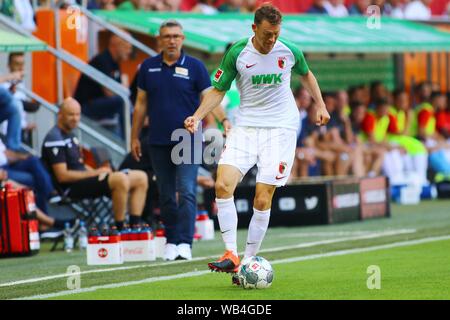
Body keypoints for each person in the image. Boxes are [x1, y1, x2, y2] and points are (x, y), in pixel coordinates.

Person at [183, 4, 330, 283]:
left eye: (275, 34)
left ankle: (248, 260)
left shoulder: (289, 51)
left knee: (262, 196)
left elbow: (307, 74)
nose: (271, 39)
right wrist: (197, 116)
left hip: (281, 129)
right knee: (222, 184)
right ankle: (231, 254)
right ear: (254, 29)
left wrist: (320, 104)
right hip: (246, 126)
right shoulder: (238, 52)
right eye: (266, 34)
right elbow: (218, 90)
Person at [130, 20, 212, 261]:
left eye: (176, 36)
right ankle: (172, 240)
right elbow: (140, 104)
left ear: (183, 39)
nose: (172, 40)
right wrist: (134, 136)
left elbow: (209, 98)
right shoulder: (147, 67)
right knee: (165, 194)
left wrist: (224, 121)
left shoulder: (196, 67)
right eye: (167, 36)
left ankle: (185, 242)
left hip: (188, 139)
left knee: (186, 190)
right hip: (157, 139)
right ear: (159, 40)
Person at [42, 97, 148, 231]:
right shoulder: (54, 138)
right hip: (70, 188)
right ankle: (120, 229)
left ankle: (135, 227)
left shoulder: (71, 135)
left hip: (84, 180)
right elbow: (62, 176)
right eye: (71, 114)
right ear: (60, 115)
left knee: (141, 177)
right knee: (119, 179)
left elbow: (79, 166)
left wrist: (101, 172)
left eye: (78, 114)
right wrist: (95, 173)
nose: (75, 118)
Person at [74, 33, 132, 138]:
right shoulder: (102, 60)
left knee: (128, 100)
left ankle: (133, 137)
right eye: (126, 47)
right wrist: (123, 90)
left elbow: (119, 89)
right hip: (84, 107)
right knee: (122, 101)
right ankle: (128, 139)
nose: (129, 51)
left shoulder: (115, 62)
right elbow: (110, 93)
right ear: (116, 45)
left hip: (99, 104)